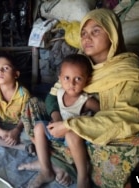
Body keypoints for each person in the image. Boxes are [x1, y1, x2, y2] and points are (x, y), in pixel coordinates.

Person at [19, 8, 139, 188]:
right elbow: (54, 94)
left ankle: (68, 165)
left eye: (95, 31)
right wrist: (57, 118)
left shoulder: (127, 69)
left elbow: (128, 116)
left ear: (112, 35)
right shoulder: (80, 63)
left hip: (106, 130)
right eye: (83, 33)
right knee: (33, 105)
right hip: (67, 127)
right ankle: (59, 163)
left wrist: (73, 125)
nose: (86, 38)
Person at [24, 54, 100, 188]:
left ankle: (83, 178)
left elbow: (104, 113)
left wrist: (87, 119)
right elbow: (54, 109)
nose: (71, 83)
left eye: (78, 78)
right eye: (67, 78)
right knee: (39, 127)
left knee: (71, 134)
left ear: (87, 80)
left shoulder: (86, 100)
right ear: (59, 78)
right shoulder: (59, 92)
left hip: (75, 136)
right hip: (59, 132)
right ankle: (46, 170)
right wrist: (55, 122)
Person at [0, 54, 32, 152]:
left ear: (16, 74)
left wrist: (16, 130)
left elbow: (26, 116)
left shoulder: (23, 93)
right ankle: (19, 146)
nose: (0, 71)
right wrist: (1, 133)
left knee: (35, 133)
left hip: (19, 125)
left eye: (5, 68)